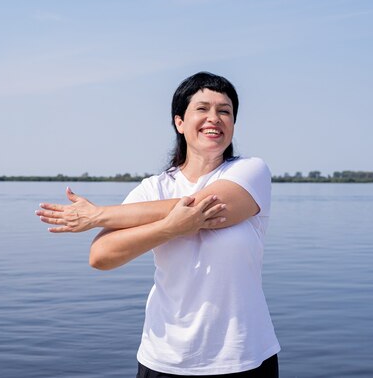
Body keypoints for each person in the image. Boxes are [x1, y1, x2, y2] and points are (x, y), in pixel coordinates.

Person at [36, 72, 280, 377]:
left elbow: (207, 208)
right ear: (179, 121)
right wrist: (170, 228)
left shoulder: (250, 172)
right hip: (164, 359)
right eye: (202, 109)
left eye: (225, 111)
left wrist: (99, 215)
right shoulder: (154, 189)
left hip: (244, 357)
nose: (214, 118)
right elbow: (101, 256)